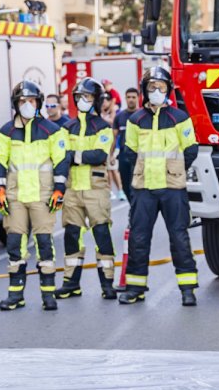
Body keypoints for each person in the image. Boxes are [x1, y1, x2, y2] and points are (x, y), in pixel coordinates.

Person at [118, 66, 200, 307]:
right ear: (145, 90)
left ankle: (187, 289)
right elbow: (130, 152)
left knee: (179, 237)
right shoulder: (135, 120)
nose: (156, 91)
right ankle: (135, 288)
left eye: (161, 87)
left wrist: (175, 170)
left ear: (168, 90)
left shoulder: (179, 118)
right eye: (152, 87)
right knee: (138, 238)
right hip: (144, 187)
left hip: (172, 187)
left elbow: (191, 149)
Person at [0, 80, 70, 311]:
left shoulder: (52, 130)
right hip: (15, 197)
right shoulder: (6, 132)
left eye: (32, 101)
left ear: (39, 102)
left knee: (45, 244)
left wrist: (59, 189)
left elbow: (61, 160)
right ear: (16, 104)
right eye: (23, 101)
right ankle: (15, 295)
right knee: (14, 245)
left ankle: (48, 294)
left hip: (42, 196)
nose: (27, 105)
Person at [56, 77, 117, 300]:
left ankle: (107, 284)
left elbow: (99, 155)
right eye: (80, 96)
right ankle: (71, 283)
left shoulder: (103, 127)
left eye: (88, 96)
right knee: (72, 236)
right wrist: (76, 157)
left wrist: (73, 156)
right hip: (73, 189)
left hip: (95, 189)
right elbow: (60, 156)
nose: (83, 100)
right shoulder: (67, 127)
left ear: (97, 100)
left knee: (102, 234)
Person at [114, 87, 141, 201]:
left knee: (137, 184)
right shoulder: (119, 116)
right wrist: (111, 155)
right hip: (123, 155)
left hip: (138, 155)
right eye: (128, 97)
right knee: (125, 184)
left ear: (138, 98)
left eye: (133, 97)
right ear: (125, 98)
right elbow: (114, 136)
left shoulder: (142, 115)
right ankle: (132, 205)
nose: (131, 100)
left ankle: (136, 206)